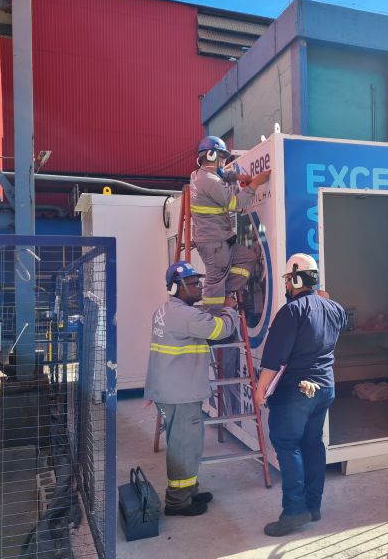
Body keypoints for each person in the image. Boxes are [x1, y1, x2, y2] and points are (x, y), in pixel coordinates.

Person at [254, 253, 348, 536]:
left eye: (287, 280)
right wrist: (324, 300)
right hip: (324, 388)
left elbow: (273, 360)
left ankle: (295, 511)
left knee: (287, 444)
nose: (286, 286)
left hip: (296, 391)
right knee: (312, 444)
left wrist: (260, 390)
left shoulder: (291, 312)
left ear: (295, 278)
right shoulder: (335, 309)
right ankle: (313, 506)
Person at [144, 261, 239, 516]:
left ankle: (189, 490)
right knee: (184, 447)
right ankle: (177, 502)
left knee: (183, 444)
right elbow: (220, 330)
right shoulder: (185, 316)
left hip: (170, 389)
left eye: (199, 282)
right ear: (178, 287)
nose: (200, 288)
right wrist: (230, 310)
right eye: (194, 284)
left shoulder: (164, 311)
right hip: (181, 392)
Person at [190, 136, 270, 314]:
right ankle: (213, 320)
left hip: (218, 240)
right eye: (221, 156)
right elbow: (235, 204)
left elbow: (222, 174)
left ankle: (224, 292)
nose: (223, 161)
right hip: (215, 243)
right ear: (211, 155)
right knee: (214, 282)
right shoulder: (210, 181)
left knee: (248, 258)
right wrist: (255, 183)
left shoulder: (197, 175)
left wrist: (238, 176)